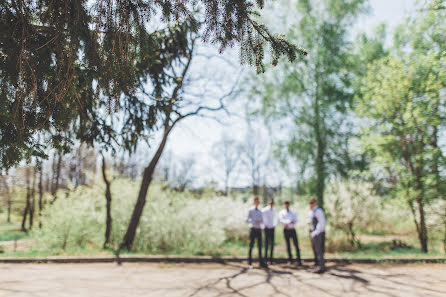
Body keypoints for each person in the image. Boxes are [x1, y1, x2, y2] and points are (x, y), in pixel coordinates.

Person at [279, 201, 302, 265]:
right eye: (285, 205)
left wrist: (288, 222)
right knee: (288, 245)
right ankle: (290, 259)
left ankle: (298, 259)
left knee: (296, 244)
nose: (286, 206)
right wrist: (289, 222)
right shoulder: (282, 212)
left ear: (289, 205)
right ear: (284, 205)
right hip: (286, 230)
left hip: (292, 229)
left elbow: (295, 220)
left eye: (287, 205)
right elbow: (281, 220)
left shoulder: (293, 212)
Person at [246, 197, 267, 268]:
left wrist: (262, 226)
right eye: (256, 201)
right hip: (253, 229)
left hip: (259, 230)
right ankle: (250, 262)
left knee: (260, 246)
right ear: (254, 202)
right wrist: (254, 222)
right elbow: (247, 219)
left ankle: (261, 262)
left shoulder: (260, 211)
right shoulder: (250, 210)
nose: (257, 203)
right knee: (251, 246)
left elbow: (262, 220)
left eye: (258, 201)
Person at [308, 197, 326, 273]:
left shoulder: (318, 211)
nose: (311, 204)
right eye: (310, 203)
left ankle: (321, 267)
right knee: (316, 250)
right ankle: (319, 265)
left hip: (318, 233)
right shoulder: (312, 211)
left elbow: (321, 222)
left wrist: (315, 232)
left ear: (315, 203)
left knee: (319, 251)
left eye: (312, 203)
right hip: (314, 232)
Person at [262, 199, 277, 264]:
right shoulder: (264, 210)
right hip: (266, 228)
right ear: (268, 203)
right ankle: (265, 259)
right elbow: (261, 218)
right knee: (266, 244)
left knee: (272, 244)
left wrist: (274, 225)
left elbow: (276, 218)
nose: (271, 204)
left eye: (272, 203)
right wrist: (264, 225)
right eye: (270, 203)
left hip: (272, 228)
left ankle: (271, 259)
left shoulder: (274, 210)